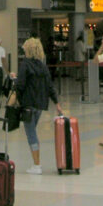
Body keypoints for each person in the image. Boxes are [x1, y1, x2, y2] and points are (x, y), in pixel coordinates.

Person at [9, 37, 62, 175]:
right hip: (40, 105)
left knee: (31, 134)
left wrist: (15, 90)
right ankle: (36, 163)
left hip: (28, 104)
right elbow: (50, 86)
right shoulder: (42, 66)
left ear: (28, 50)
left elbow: (20, 85)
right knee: (32, 131)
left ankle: (37, 164)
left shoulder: (25, 64)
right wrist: (56, 102)